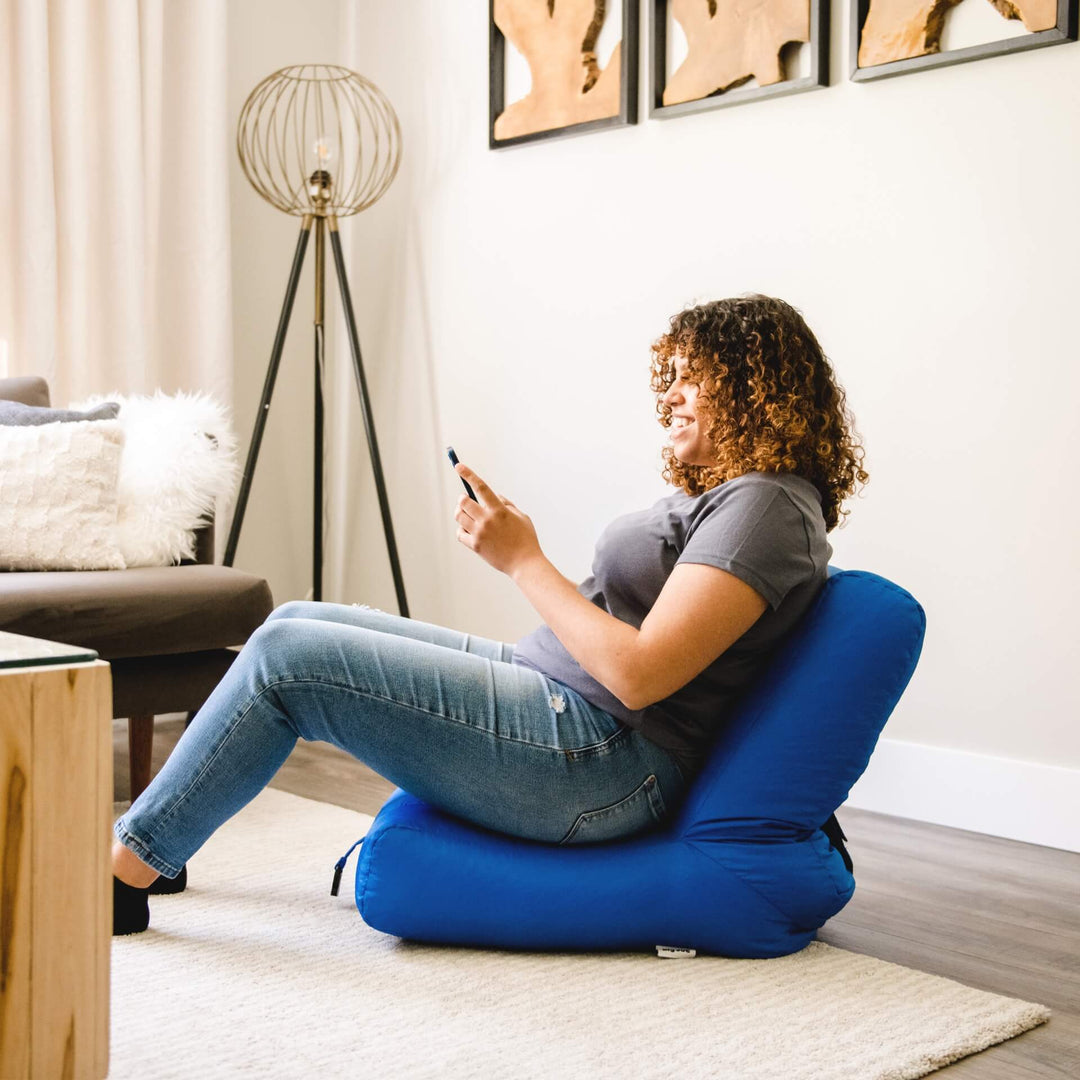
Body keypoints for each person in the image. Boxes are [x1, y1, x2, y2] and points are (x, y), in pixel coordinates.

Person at [111, 294, 868, 935]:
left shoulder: (768, 506)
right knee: (291, 624)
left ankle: (124, 873)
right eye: (667, 379)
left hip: (600, 759)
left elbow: (641, 676)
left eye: (691, 379)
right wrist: (516, 551)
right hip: (560, 702)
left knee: (289, 665)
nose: (668, 396)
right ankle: (161, 849)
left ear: (754, 386)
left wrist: (523, 560)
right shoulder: (736, 496)